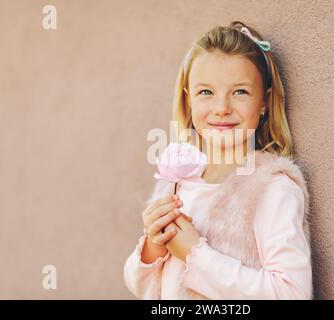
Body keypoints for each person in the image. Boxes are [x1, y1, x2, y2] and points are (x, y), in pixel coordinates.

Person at [123, 21, 313, 300]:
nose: (222, 108)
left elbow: (290, 293)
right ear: (188, 100)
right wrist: (153, 248)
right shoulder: (177, 181)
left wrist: (194, 254)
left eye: (240, 92)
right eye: (206, 92)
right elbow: (142, 286)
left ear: (264, 103)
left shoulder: (271, 188)